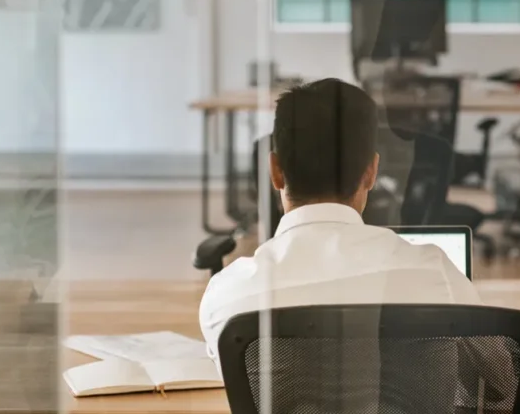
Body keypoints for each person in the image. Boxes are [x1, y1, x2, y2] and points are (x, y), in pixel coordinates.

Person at [198, 78, 480, 365]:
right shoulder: (434, 273)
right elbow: (501, 381)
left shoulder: (228, 295)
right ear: (371, 172)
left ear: (274, 171)